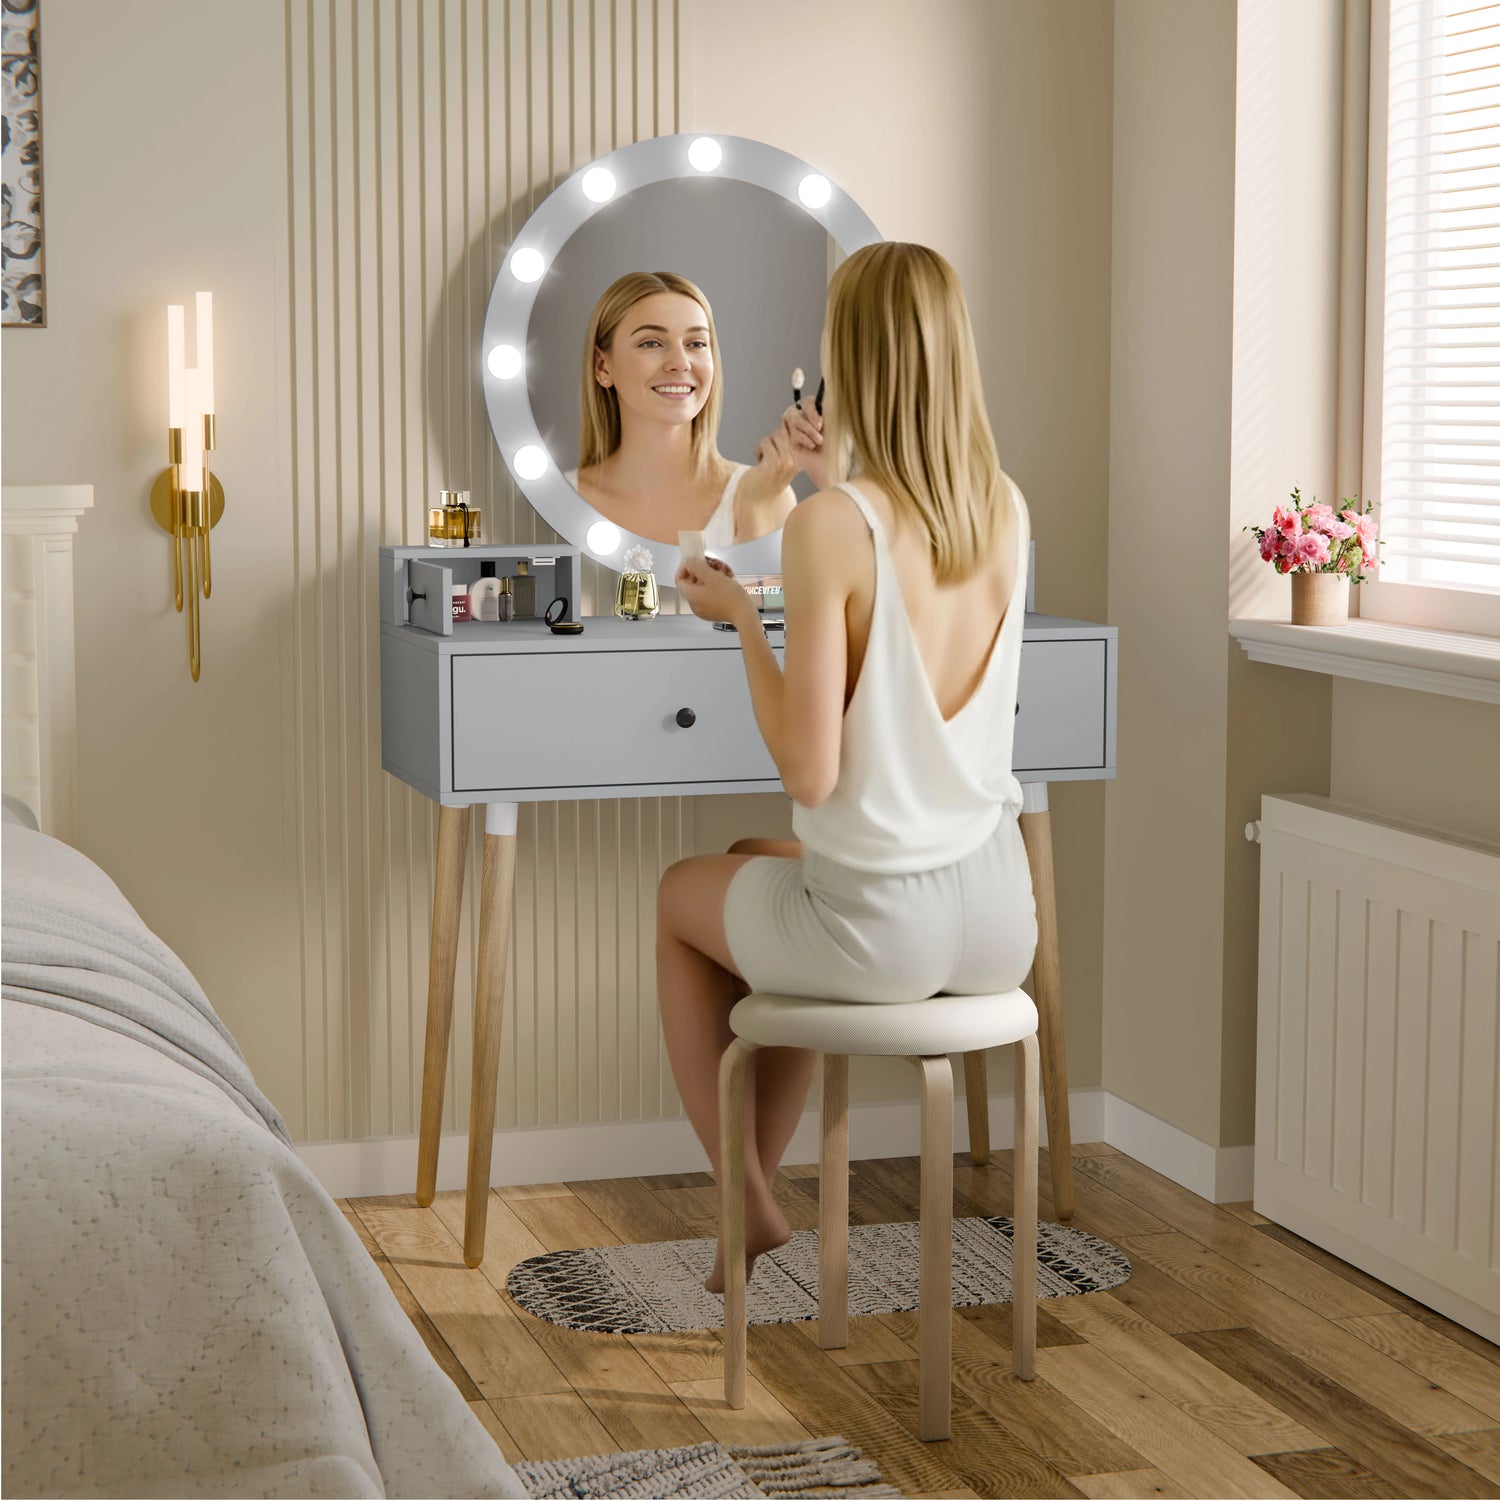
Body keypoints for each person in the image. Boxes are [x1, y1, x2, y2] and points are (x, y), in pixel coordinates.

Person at [660, 241, 1038, 1292]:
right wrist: (834, 494)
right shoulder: (1003, 508)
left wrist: (741, 617)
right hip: (999, 917)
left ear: (853, 364)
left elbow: (812, 774)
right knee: (754, 857)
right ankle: (761, 1196)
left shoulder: (836, 528)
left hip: (886, 934)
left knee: (678, 896)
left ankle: (741, 1199)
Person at [567, 270, 797, 548]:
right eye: (651, 343)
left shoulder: (768, 495)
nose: (680, 362)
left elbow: (772, 594)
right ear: (602, 366)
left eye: (696, 343)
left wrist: (755, 515)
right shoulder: (561, 499)